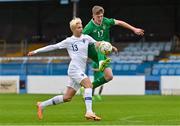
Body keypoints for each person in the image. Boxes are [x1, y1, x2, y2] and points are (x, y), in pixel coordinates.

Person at [27, 17, 103, 121]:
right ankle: (89, 112)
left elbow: (98, 44)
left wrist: (109, 47)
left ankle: (42, 105)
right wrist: (35, 51)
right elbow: (53, 47)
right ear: (73, 29)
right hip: (74, 69)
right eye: (78, 28)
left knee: (67, 97)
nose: (81, 29)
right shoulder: (69, 41)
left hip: (80, 70)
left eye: (81, 26)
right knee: (88, 85)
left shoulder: (86, 38)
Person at [82, 5, 144, 100]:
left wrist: (134, 29)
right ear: (93, 16)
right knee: (100, 44)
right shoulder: (89, 27)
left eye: (101, 16)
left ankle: (87, 87)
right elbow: (80, 39)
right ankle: (101, 63)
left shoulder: (106, 21)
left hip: (101, 51)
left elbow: (119, 22)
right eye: (98, 16)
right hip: (92, 50)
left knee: (109, 76)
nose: (100, 18)